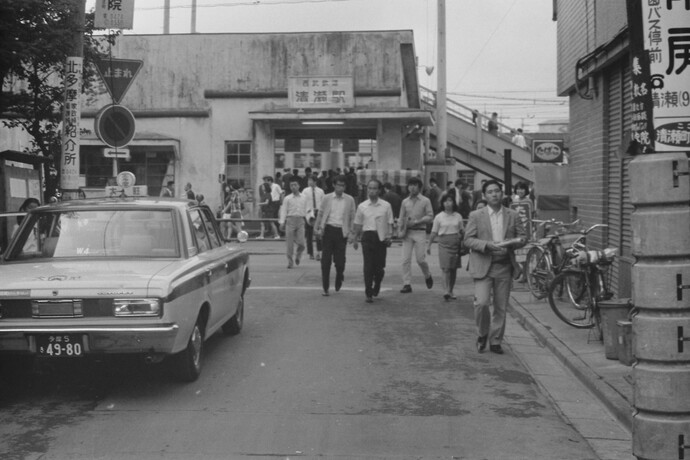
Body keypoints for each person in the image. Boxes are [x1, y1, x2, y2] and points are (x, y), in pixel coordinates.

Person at [464, 180, 527, 355]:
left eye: (497, 191)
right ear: (484, 195)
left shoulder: (513, 215)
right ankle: (483, 333)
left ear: (502, 193)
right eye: (490, 192)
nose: (494, 194)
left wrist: (515, 243)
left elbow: (523, 237)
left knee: (501, 306)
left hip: (504, 265)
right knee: (482, 303)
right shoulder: (476, 215)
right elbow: (467, 239)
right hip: (483, 264)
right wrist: (486, 245)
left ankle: (496, 340)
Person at [350, 179, 394, 303]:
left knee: (379, 268)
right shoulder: (362, 206)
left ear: (379, 190)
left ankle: (377, 283)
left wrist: (389, 236)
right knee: (368, 266)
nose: (372, 191)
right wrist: (355, 238)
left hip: (380, 238)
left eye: (374, 188)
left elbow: (390, 223)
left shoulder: (386, 205)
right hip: (367, 237)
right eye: (369, 188)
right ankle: (368, 292)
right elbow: (358, 224)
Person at [314, 175, 356, 296]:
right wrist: (317, 228)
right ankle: (325, 287)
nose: (340, 188)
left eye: (343, 185)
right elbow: (321, 213)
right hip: (328, 231)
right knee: (325, 261)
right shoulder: (327, 198)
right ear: (333, 185)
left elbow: (352, 217)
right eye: (338, 185)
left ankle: (339, 275)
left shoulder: (350, 200)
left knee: (340, 261)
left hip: (341, 232)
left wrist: (352, 233)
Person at [397, 177, 434, 293]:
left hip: (420, 231)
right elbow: (401, 217)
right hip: (407, 233)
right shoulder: (405, 201)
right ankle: (406, 283)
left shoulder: (425, 201)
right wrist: (399, 229)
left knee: (420, 259)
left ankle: (427, 274)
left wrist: (418, 221)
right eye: (410, 185)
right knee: (405, 260)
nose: (412, 187)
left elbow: (430, 216)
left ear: (419, 187)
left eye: (414, 185)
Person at [427, 195, 464, 301]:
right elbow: (434, 231)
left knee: (453, 269)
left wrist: (463, 240)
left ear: (453, 203)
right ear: (442, 203)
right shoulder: (439, 217)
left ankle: (451, 290)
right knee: (445, 268)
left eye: (450, 201)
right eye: (445, 201)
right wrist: (429, 245)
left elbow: (462, 230)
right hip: (443, 243)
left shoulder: (458, 216)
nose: (448, 203)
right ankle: (445, 291)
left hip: (455, 244)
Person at [279, 178, 309, 269]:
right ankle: (290, 261)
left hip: (300, 220)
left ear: (299, 186)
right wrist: (282, 222)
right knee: (289, 243)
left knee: (302, 243)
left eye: (295, 185)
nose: (293, 187)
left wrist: (309, 220)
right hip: (290, 220)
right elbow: (283, 210)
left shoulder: (304, 197)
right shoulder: (287, 198)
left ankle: (298, 255)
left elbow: (308, 209)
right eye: (291, 185)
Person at [302, 175, 325, 260]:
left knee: (318, 234)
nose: (309, 182)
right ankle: (310, 253)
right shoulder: (305, 191)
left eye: (310, 180)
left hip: (318, 213)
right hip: (309, 213)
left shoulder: (321, 191)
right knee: (309, 234)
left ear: (315, 182)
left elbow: (323, 203)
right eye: (308, 180)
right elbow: (303, 202)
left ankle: (319, 252)